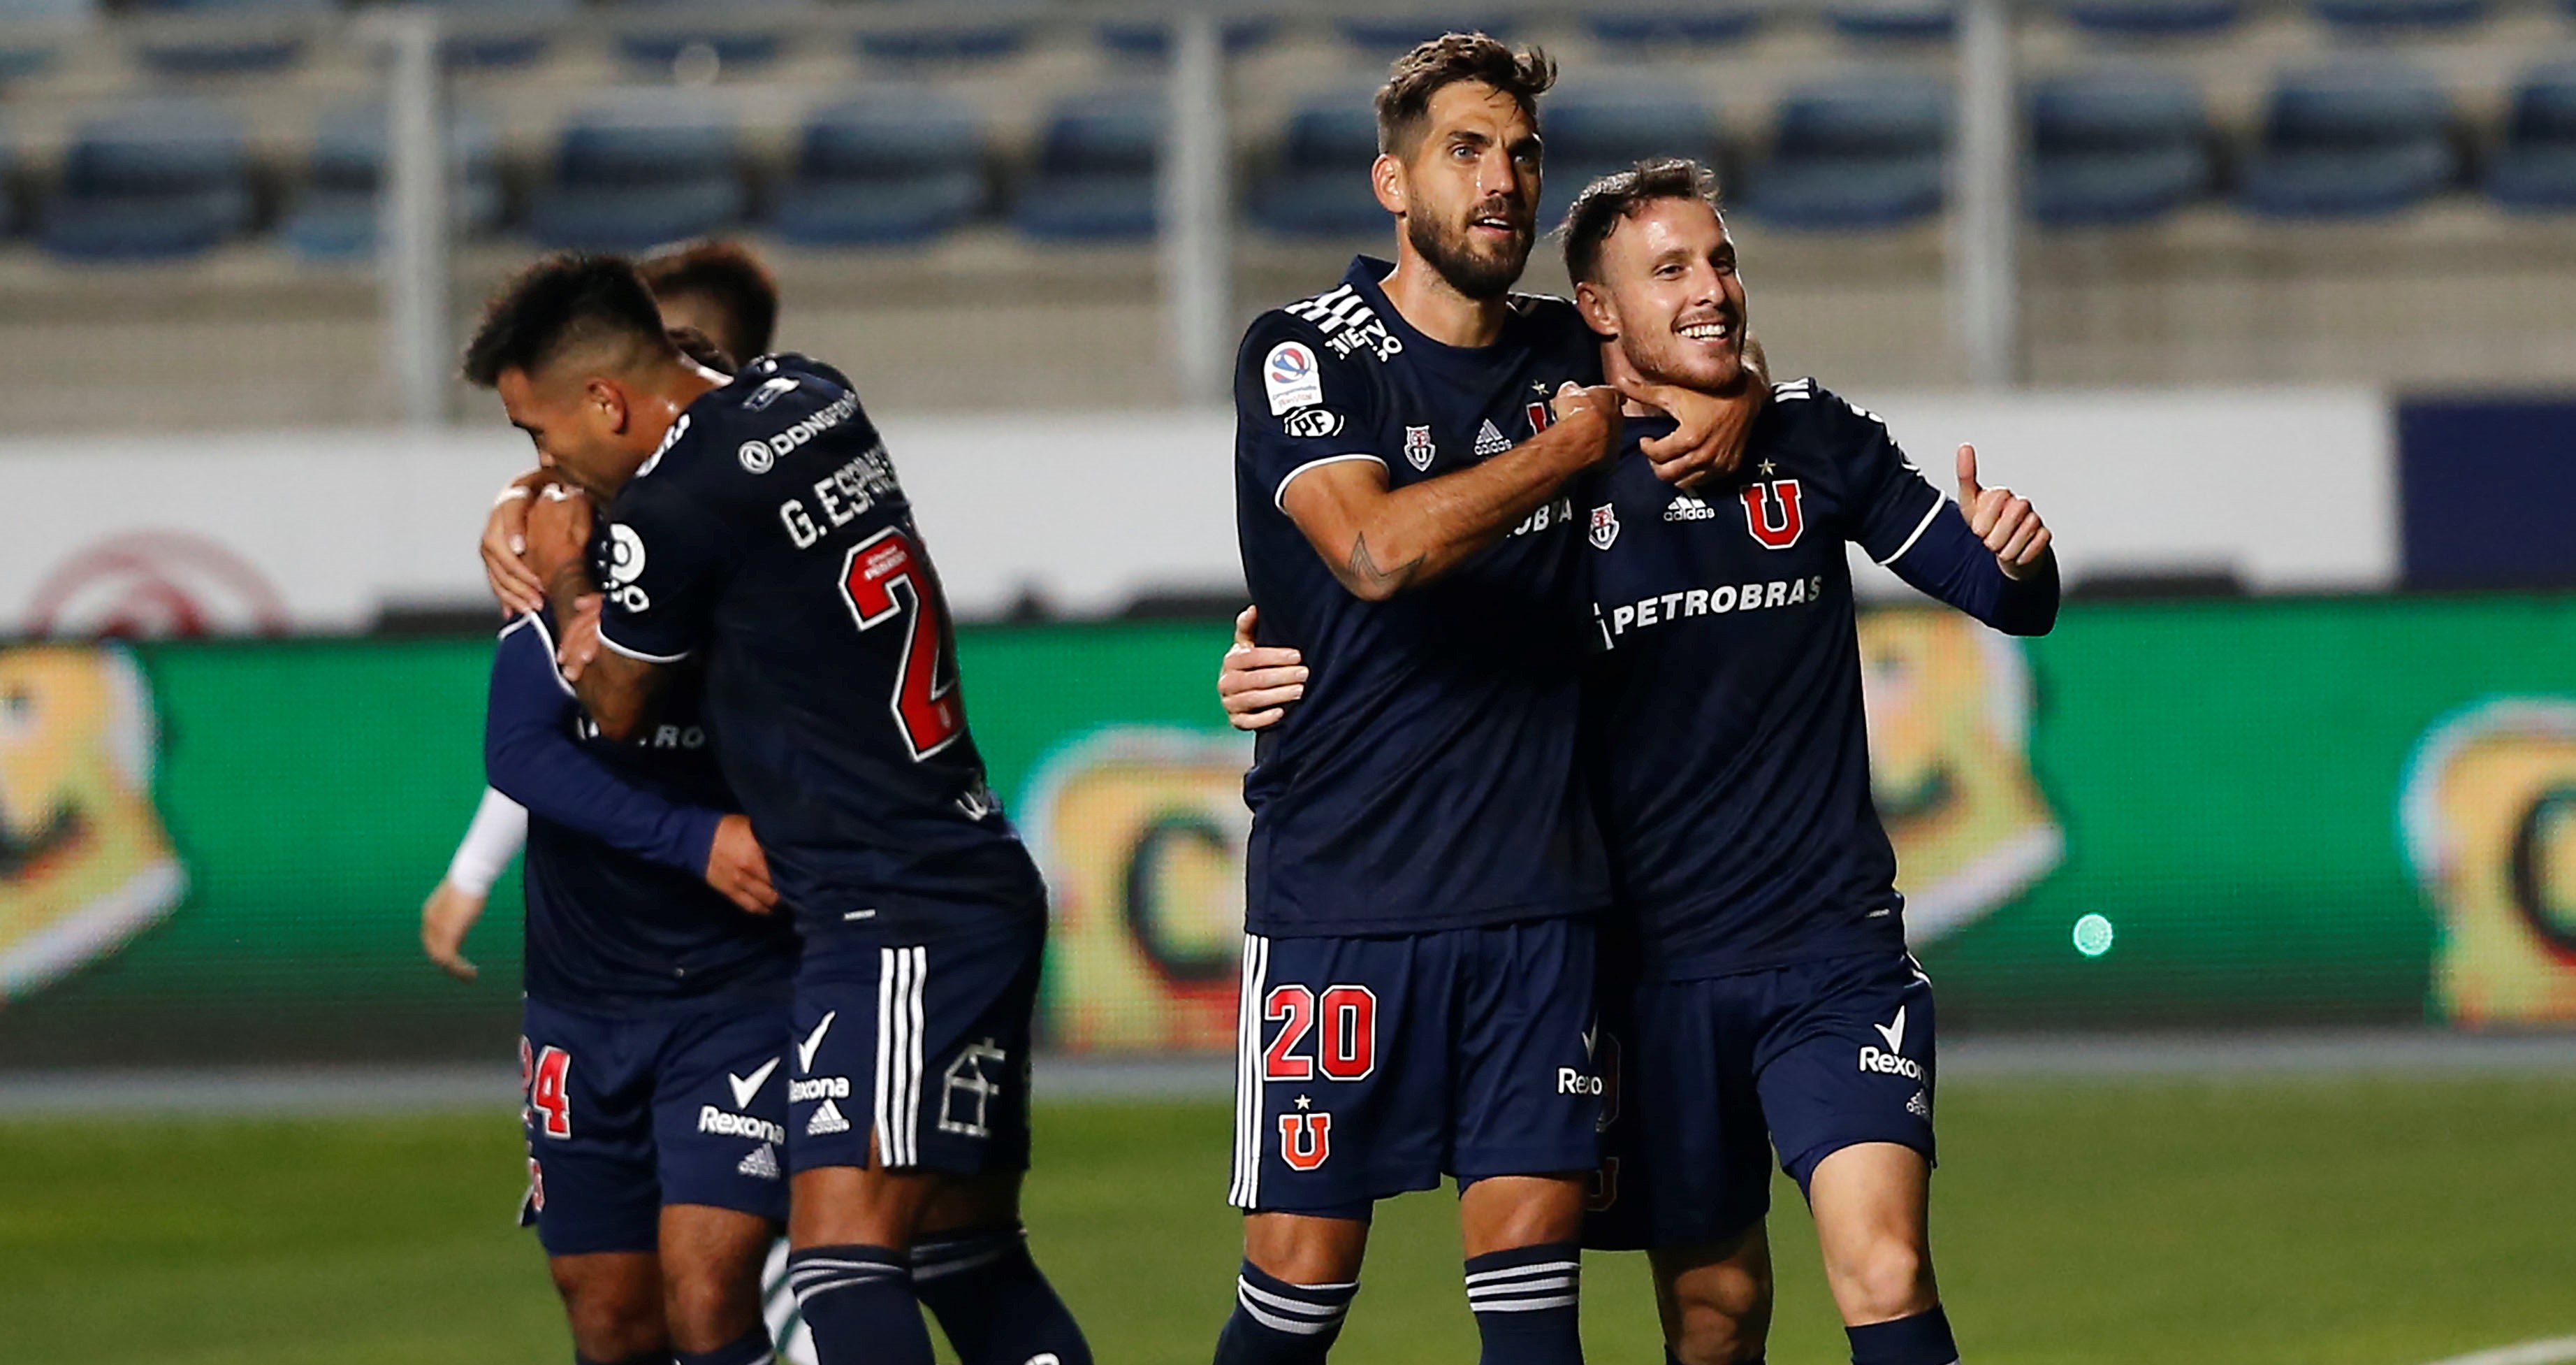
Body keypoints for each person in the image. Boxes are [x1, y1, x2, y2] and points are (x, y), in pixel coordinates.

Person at [1222, 157, 2061, 1365]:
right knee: (1713, 1310)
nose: (1711, 287)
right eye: (1669, 269)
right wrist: (1260, 663)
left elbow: (2001, 595)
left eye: (1717, 259)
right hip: (1636, 973)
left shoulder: (1810, 434)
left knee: (1883, 1264)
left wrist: (2018, 557)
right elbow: (1394, 610)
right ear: (1597, 313)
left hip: (1832, 951)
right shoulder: (1545, 482)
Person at [1212, 35, 1763, 1365]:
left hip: (1538, 904)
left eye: (1519, 152)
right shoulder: (1306, 351)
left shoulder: (1564, 347)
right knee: (1293, 1303)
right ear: (1392, 183)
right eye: (1466, 150)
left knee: (1532, 1315)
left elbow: (1705, 342)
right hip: (1343, 899)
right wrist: (1565, 448)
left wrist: (1739, 397)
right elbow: (1372, 551)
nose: (1503, 179)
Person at [460, 253, 1089, 1365]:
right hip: (967, 868)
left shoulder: (664, 514)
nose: (544, 464)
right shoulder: (814, 395)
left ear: (606, 401)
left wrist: (563, 572)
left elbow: (610, 703)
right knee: (966, 1256)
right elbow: (702, 401)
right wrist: (539, 492)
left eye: (537, 435)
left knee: (842, 1265)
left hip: (886, 909)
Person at [483, 479, 799, 1365]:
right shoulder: (570, 582)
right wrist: (694, 839)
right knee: (609, 1314)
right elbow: (516, 751)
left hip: (741, 998)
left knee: (708, 1289)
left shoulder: (764, 599)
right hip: (581, 1007)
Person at [422, 239, 785, 971]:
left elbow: (607, 709)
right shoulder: (575, 513)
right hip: (599, 968)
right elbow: (535, 734)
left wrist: (557, 559)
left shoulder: (767, 520)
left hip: (758, 954)